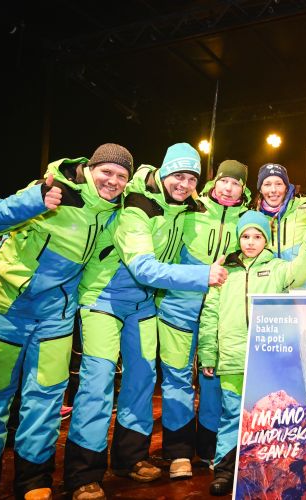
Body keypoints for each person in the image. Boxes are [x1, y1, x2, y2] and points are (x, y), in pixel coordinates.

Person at [0, 143, 132, 500]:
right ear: (91, 168)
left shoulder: (114, 214)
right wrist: (35, 201)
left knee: (46, 400)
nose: (113, 181)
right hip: (7, 306)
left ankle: (34, 480)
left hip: (56, 317)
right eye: (107, 172)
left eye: (121, 176)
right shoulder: (52, 188)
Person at [63, 143, 227, 499]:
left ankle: (129, 458)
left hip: (144, 304)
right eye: (178, 175)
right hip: (104, 298)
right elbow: (144, 268)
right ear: (164, 173)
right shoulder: (136, 206)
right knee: (98, 382)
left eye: (192, 178)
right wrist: (203, 276)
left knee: (141, 379)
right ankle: (83, 474)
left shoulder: (181, 210)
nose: (184, 184)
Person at [198, 210, 306, 496]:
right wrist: (208, 353)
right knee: (233, 414)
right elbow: (210, 314)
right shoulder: (225, 273)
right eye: (245, 236)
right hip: (233, 357)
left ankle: (268, 469)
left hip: (267, 358)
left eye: (257, 236)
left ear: (267, 239)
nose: (250, 242)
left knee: (269, 417)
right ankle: (225, 471)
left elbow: (301, 270)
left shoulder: (277, 268)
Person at [155, 158, 251, 475]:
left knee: (213, 377)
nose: (229, 188)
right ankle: (179, 453)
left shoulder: (246, 220)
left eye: (236, 183)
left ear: (243, 189)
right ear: (214, 181)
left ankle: (211, 448)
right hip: (178, 306)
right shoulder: (190, 209)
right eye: (224, 180)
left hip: (220, 313)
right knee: (177, 377)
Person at [255, 163, 306, 284]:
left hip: (304, 289)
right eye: (267, 184)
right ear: (260, 189)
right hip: (270, 289)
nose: (273, 190)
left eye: (278, 184)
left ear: (286, 187)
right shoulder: (255, 218)